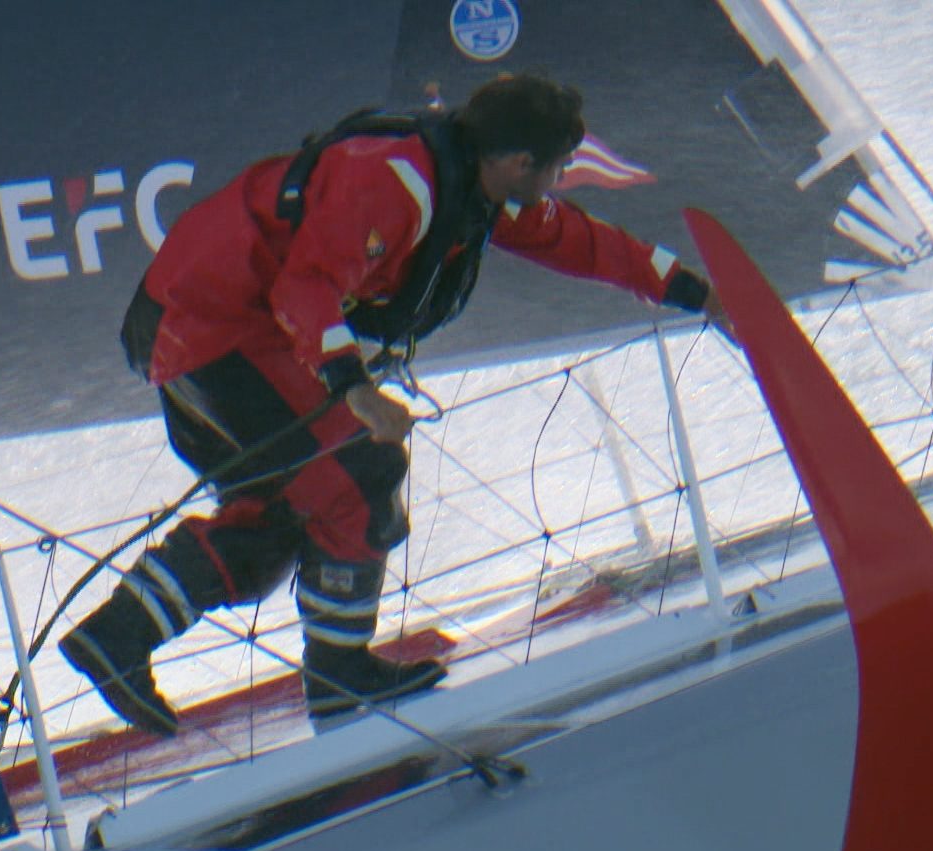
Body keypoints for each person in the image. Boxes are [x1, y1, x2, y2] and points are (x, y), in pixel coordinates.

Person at [59, 73, 728, 737]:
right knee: (360, 476)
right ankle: (337, 674)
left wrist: (699, 293)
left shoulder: (475, 184)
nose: (559, 180)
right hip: (212, 326)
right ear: (522, 161)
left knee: (295, 511)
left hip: (229, 328)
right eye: (558, 167)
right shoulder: (395, 185)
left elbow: (579, 241)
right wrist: (353, 387)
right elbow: (306, 284)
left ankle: (121, 636)